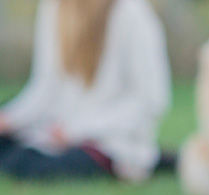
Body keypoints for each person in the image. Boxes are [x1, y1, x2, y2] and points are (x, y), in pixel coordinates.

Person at [0, 0, 171, 182]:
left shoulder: (130, 11)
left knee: (26, 164)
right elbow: (45, 88)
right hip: (56, 130)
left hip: (108, 140)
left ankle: (155, 160)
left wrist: (75, 130)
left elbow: (151, 101)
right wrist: (10, 118)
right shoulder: (53, 7)